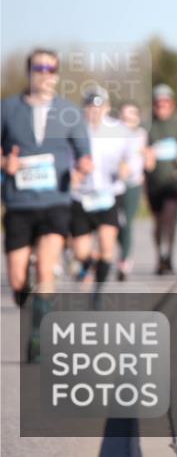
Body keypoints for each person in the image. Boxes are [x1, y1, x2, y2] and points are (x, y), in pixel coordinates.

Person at [1, 48, 93, 361]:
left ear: (56, 74)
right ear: (29, 72)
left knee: (45, 267)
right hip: (18, 203)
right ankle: (29, 301)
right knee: (17, 282)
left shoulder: (68, 111)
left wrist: (84, 166)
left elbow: (84, 152)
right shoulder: (8, 109)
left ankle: (39, 335)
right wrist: (5, 163)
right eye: (39, 67)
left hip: (56, 201)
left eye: (51, 69)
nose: (45, 73)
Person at [69, 87, 131, 290]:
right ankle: (89, 265)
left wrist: (125, 168)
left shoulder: (120, 130)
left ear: (107, 107)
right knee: (80, 251)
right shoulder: (74, 130)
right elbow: (64, 159)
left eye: (99, 107)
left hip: (109, 195)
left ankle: (99, 291)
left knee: (107, 246)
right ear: (84, 109)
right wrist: (73, 174)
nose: (95, 111)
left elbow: (132, 159)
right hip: (81, 196)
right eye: (90, 107)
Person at [144, 84, 177, 274]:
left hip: (173, 180)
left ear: (171, 104)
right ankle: (159, 256)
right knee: (158, 221)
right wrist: (146, 156)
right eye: (158, 103)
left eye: (165, 103)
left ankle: (168, 256)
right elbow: (140, 149)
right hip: (154, 182)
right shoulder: (148, 126)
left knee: (170, 219)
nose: (162, 106)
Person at [117, 101, 146, 281]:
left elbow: (145, 157)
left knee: (127, 222)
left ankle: (125, 260)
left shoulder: (141, 135)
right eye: (125, 117)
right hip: (113, 185)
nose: (129, 120)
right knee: (114, 224)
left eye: (132, 116)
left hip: (133, 184)